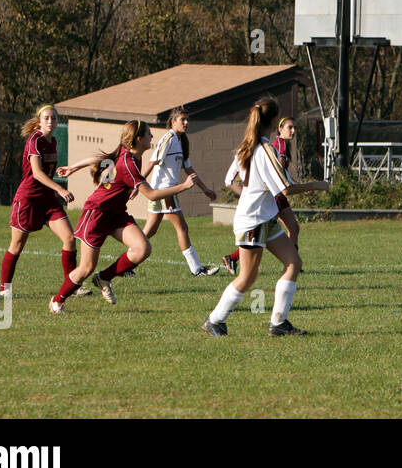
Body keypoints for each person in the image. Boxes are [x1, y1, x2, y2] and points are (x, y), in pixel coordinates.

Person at [202, 99, 327, 337]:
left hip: (265, 218)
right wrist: (318, 185)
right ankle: (215, 320)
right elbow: (285, 188)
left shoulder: (248, 146)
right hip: (254, 221)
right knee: (247, 277)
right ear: (272, 122)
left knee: (293, 263)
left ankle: (279, 324)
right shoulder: (264, 149)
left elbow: (235, 181)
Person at [48, 120, 196, 313]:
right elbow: (151, 194)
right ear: (139, 139)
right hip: (97, 214)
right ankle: (57, 301)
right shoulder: (129, 163)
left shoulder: (132, 155)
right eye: (149, 133)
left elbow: (100, 158)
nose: (152, 137)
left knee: (142, 248)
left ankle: (104, 278)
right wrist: (183, 186)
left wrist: (74, 168)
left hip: (116, 214)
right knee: (86, 268)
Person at [0, 105, 77, 297]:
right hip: (29, 199)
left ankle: (72, 285)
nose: (50, 121)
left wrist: (58, 173)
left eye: (54, 118)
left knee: (69, 238)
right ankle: (4, 289)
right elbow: (36, 173)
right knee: (17, 245)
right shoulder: (35, 140)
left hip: (48, 200)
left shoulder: (54, 141)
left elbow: (46, 170)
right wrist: (59, 188)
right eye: (46, 118)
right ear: (39, 121)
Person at [140, 107, 221, 275]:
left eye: (187, 120)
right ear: (173, 121)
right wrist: (138, 183)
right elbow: (152, 162)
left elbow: (189, 169)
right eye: (182, 119)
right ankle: (197, 269)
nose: (186, 123)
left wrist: (205, 190)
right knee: (182, 228)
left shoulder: (182, 141)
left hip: (167, 192)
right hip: (164, 192)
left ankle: (127, 263)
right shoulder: (168, 138)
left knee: (150, 230)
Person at [221, 116, 301, 275]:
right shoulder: (275, 147)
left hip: (265, 199)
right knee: (291, 227)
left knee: (267, 235)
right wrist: (312, 186)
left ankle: (292, 263)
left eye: (294, 128)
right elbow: (280, 179)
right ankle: (291, 263)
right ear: (278, 128)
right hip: (273, 196)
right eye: (289, 127)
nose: (292, 131)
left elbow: (282, 175)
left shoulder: (266, 146)